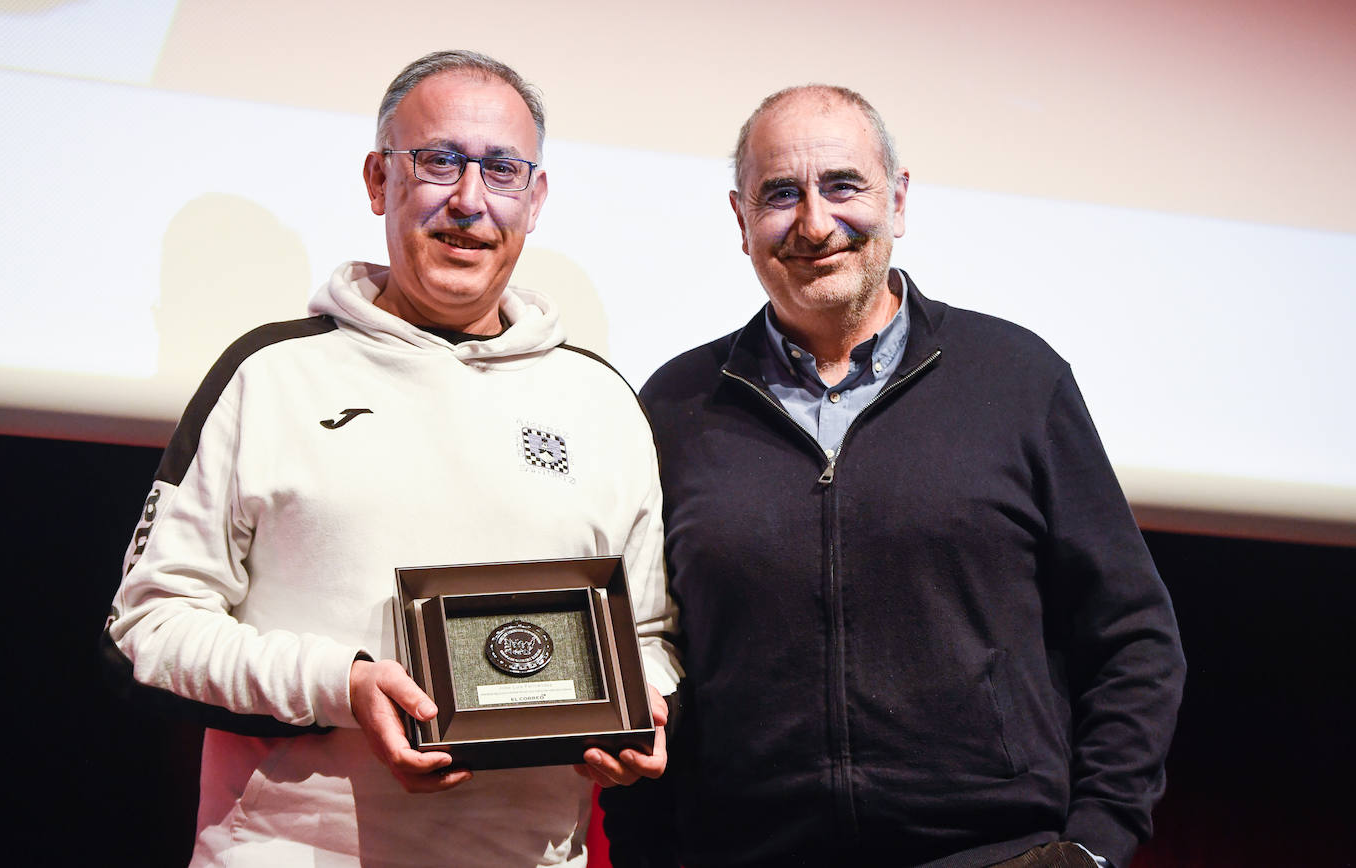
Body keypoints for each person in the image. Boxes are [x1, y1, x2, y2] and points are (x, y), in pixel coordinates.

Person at [103, 50, 678, 867]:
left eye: (502, 170)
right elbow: (146, 630)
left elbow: (650, 633)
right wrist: (340, 686)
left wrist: (641, 704)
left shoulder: (603, 403)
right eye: (437, 161)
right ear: (379, 180)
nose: (468, 201)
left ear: (536, 197)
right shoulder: (269, 376)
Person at [605, 85, 1185, 868]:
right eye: (781, 194)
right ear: (741, 221)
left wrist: (1094, 845)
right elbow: (640, 655)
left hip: (995, 852)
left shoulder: (1016, 379)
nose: (815, 223)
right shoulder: (674, 406)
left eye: (843, 186)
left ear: (899, 200)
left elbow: (1134, 637)